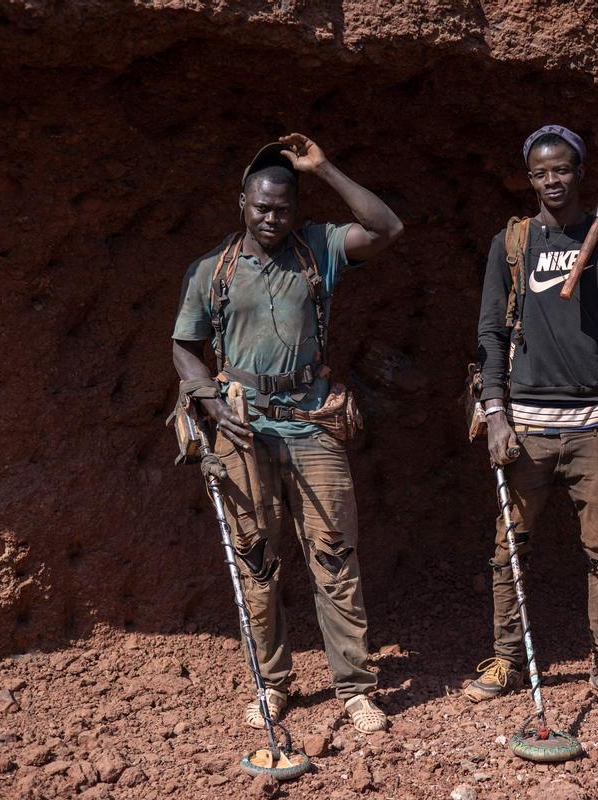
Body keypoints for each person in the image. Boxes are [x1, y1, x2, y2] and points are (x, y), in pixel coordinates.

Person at [171, 133, 402, 732]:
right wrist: (207, 399)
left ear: (295, 209)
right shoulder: (210, 271)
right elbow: (183, 346)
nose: (271, 218)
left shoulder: (318, 248)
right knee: (257, 561)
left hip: (312, 425)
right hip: (241, 429)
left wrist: (324, 168)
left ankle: (353, 688)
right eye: (261, 207)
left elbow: (385, 228)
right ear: (240, 203)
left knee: (335, 557)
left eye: (282, 208)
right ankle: (271, 684)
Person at [465, 124, 598, 702]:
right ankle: (504, 661)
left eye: (563, 169)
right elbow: (490, 335)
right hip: (525, 426)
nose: (553, 180)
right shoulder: (514, 244)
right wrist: (496, 415)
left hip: (593, 423)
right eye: (542, 171)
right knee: (508, 547)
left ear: (579, 172)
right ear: (530, 178)